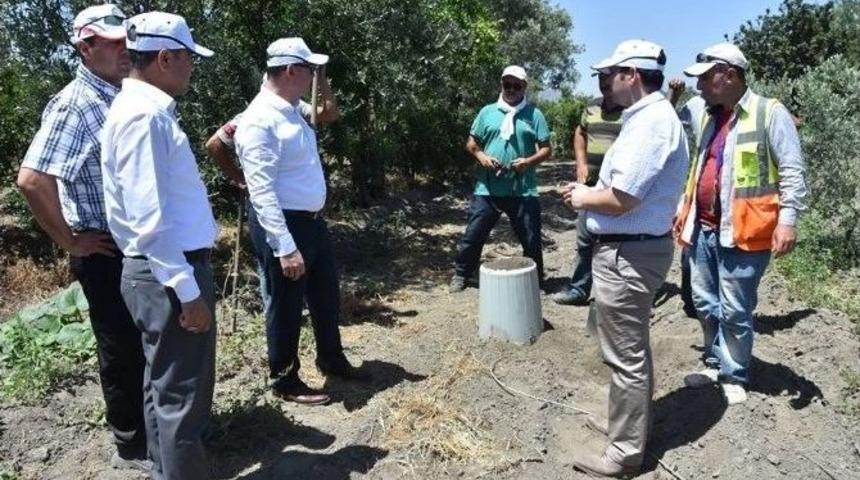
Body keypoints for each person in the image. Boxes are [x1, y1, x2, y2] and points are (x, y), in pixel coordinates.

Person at [16, 4, 148, 472]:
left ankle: (147, 429)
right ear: (85, 46)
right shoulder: (76, 103)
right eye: (114, 43)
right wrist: (70, 241)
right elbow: (32, 179)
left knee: (141, 341)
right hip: (103, 248)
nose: (124, 50)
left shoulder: (119, 94)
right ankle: (131, 442)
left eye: (127, 42)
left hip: (130, 245)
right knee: (120, 345)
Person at [563, 40, 689, 477]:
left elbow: (622, 197)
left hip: (629, 253)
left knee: (626, 355)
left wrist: (582, 196)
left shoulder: (652, 121)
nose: (604, 84)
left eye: (610, 74)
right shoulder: (648, 118)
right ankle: (627, 427)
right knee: (627, 350)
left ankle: (624, 453)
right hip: (630, 249)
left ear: (631, 75)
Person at [101, 11, 218, 479]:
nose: (192, 67)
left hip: (158, 271)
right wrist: (187, 292)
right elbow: (150, 219)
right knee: (183, 399)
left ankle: (161, 471)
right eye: (189, 58)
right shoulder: (145, 116)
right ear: (165, 58)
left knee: (161, 387)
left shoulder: (139, 112)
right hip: (169, 273)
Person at [234, 37, 367, 407]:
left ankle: (330, 357)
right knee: (286, 304)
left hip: (310, 222)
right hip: (283, 225)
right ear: (292, 70)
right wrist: (285, 246)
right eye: (310, 69)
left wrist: (322, 79)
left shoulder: (291, 109)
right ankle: (285, 379)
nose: (314, 74)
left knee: (325, 295)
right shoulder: (259, 120)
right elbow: (261, 193)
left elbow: (327, 109)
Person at [675, 43, 807, 404]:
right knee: (704, 302)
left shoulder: (769, 113)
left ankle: (734, 372)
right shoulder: (705, 112)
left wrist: (788, 222)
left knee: (735, 307)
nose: (699, 86)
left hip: (745, 230)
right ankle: (716, 360)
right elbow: (668, 118)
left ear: (729, 75)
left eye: (705, 79)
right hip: (702, 226)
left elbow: (793, 172)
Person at [449, 65, 552, 292]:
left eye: (517, 85)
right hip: (487, 188)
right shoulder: (487, 112)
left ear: (525, 87)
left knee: (531, 238)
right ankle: (462, 275)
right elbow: (471, 143)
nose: (511, 89)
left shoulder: (535, 115)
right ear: (501, 84)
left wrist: (527, 162)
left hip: (523, 189)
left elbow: (546, 149)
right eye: (508, 84)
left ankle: (536, 280)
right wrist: (482, 156)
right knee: (473, 235)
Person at [552, 73, 623, 305]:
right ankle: (580, 289)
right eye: (600, 79)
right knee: (584, 240)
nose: (604, 84)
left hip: (619, 189)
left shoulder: (631, 109)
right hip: (591, 186)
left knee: (617, 243)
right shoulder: (592, 106)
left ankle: (620, 298)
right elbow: (580, 133)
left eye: (608, 79)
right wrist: (581, 163)